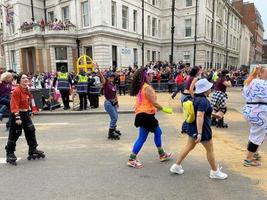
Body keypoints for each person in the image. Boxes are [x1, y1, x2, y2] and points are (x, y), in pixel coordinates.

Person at [170, 79, 228, 179]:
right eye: (210, 88)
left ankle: (176, 166)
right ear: (205, 90)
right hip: (202, 129)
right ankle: (215, 171)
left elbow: (200, 113)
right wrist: (200, 133)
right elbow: (200, 116)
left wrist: (214, 115)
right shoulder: (204, 101)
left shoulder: (195, 98)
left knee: (188, 146)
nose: (211, 89)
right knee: (210, 150)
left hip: (192, 127)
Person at [127, 68, 172, 168]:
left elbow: (146, 103)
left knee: (157, 132)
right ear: (145, 76)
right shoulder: (147, 87)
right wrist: (164, 109)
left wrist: (156, 109)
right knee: (144, 137)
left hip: (144, 115)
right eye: (150, 74)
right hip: (145, 115)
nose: (152, 75)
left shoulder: (143, 87)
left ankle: (161, 154)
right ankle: (131, 159)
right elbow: (154, 102)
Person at [5, 73, 45, 165]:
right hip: (17, 114)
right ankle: (10, 153)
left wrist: (30, 111)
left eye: (26, 77)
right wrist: (17, 117)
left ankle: (33, 149)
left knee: (31, 130)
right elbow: (14, 105)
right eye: (23, 78)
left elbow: (28, 102)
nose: (26, 79)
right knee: (15, 134)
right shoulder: (16, 91)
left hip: (25, 114)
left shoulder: (27, 90)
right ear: (19, 81)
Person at [242, 65, 267, 167]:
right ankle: (248, 159)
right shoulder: (263, 84)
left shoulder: (250, 81)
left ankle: (254, 153)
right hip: (260, 113)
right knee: (256, 135)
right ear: (261, 73)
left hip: (250, 110)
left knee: (258, 134)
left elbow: (244, 95)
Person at [97, 65, 121, 140]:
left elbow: (115, 94)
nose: (112, 78)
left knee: (116, 116)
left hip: (113, 102)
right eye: (110, 77)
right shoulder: (106, 83)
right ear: (108, 77)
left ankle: (113, 129)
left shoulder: (113, 85)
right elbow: (101, 77)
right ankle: (110, 133)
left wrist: (117, 102)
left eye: (113, 77)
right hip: (108, 103)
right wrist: (98, 69)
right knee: (114, 117)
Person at [180, 66, 200, 134]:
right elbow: (191, 89)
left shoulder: (189, 77)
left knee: (188, 113)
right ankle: (186, 128)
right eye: (199, 70)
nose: (200, 72)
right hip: (188, 96)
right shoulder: (195, 78)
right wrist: (194, 97)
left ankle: (185, 128)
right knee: (191, 113)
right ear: (197, 72)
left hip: (183, 95)